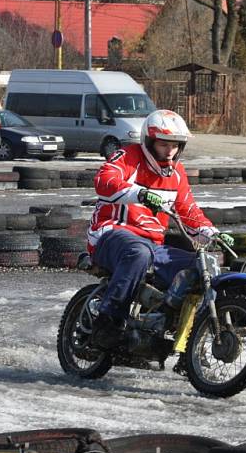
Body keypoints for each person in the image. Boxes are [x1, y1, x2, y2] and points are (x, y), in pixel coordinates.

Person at [86, 109, 234, 349]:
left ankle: (184, 336)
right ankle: (108, 322)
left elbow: (188, 211)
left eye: (175, 145)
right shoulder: (127, 156)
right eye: (164, 145)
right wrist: (140, 194)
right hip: (111, 232)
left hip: (154, 244)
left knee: (203, 265)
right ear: (149, 141)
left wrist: (212, 233)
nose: (170, 151)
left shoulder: (177, 174)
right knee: (139, 253)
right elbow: (103, 181)